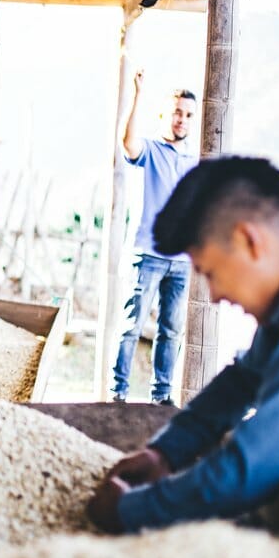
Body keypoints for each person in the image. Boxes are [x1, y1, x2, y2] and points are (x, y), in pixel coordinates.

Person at [88, 156, 279, 549]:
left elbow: (255, 466)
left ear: (248, 240)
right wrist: (165, 452)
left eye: (210, 273)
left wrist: (128, 511)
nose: (215, 295)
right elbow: (241, 381)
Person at [111, 71, 199, 405]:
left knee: (171, 331)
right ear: (165, 114)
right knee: (131, 325)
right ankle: (117, 391)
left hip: (182, 260)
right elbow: (128, 143)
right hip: (147, 253)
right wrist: (138, 95)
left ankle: (161, 396)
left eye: (188, 115)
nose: (182, 119)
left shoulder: (195, 160)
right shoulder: (151, 150)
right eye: (177, 112)